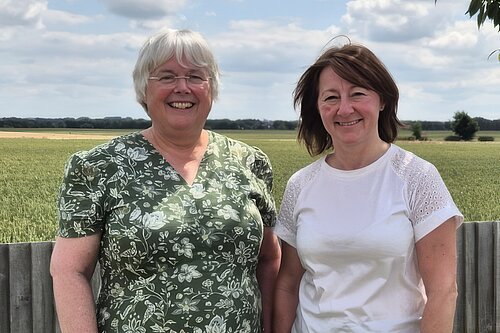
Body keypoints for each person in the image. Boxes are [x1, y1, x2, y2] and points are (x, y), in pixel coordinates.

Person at [50, 28, 281, 333]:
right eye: (167, 76)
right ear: (143, 88)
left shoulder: (250, 162)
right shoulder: (97, 167)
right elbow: (70, 271)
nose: (182, 87)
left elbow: (269, 258)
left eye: (196, 76)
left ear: (211, 87)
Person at [273, 42, 463, 333]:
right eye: (331, 97)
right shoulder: (300, 185)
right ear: (318, 106)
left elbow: (443, 291)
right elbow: (287, 284)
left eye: (358, 94)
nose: (344, 108)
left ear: (382, 100)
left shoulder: (417, 177)